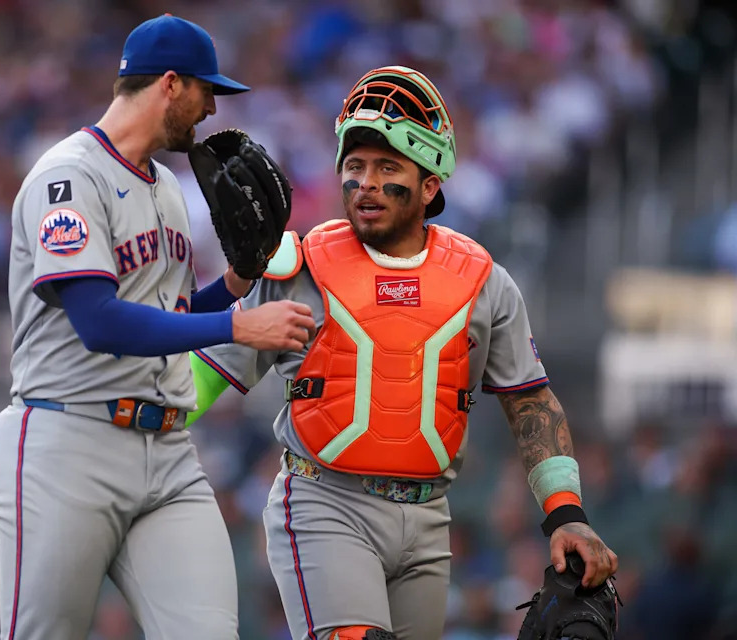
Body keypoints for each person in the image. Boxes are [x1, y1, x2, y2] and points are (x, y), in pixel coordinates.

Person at [189, 65, 619, 640]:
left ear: (430, 185)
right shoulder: (297, 267)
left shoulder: (483, 281)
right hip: (324, 504)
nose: (365, 182)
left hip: (427, 519)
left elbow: (529, 400)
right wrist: (123, 414)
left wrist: (566, 513)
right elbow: (203, 378)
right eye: (355, 166)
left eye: (387, 167)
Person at [0, 14, 316, 640]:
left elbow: (172, 321)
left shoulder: (165, 186)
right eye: (206, 90)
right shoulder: (69, 177)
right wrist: (239, 327)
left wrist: (238, 286)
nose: (213, 107)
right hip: (67, 441)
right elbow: (100, 321)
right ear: (169, 83)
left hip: (166, 452)